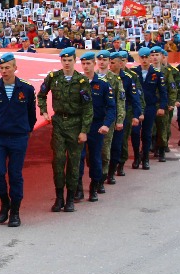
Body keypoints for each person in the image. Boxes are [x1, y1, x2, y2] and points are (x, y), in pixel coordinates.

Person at [37, 47, 92, 213]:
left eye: (69, 60)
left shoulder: (81, 81)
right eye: (64, 60)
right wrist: (44, 111)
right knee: (58, 161)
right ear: (61, 61)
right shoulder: (53, 77)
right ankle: (59, 197)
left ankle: (70, 199)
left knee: (74, 163)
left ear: (74, 61)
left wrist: (84, 131)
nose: (67, 63)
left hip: (75, 124)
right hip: (59, 123)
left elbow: (88, 108)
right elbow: (41, 95)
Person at [0, 53, 36, 228]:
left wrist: (27, 129)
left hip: (18, 137)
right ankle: (4, 202)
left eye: (7, 67)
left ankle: (15, 211)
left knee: (15, 174)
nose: (4, 71)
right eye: (1, 68)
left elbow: (31, 113)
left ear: (15, 68)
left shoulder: (27, 89)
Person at [75, 52, 115, 203]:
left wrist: (106, 124)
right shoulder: (77, 83)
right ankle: (78, 188)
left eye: (88, 63)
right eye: (83, 64)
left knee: (95, 157)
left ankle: (94, 186)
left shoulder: (103, 84)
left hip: (96, 126)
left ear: (94, 64)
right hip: (80, 125)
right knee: (78, 157)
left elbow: (111, 107)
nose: (86, 67)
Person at [131, 47, 167, 169]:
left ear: (150, 58)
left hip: (150, 107)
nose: (144, 60)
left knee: (146, 134)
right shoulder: (133, 72)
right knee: (135, 133)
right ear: (139, 58)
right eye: (142, 57)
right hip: (136, 107)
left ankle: (145, 158)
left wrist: (162, 106)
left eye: (147, 57)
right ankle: (137, 157)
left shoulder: (157, 73)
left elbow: (163, 92)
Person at [94, 50, 124, 195]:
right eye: (99, 60)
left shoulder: (115, 79)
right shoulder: (90, 77)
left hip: (108, 120)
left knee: (105, 151)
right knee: (92, 152)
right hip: (92, 119)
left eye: (105, 60)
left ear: (108, 62)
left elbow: (120, 101)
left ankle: (101, 178)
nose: (102, 62)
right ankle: (95, 175)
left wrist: (120, 119)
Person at [111, 51, 143, 180]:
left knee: (122, 141)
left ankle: (120, 164)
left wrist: (137, 114)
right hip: (109, 113)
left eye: (113, 62)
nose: (110, 65)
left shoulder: (129, 78)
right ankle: (110, 165)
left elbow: (135, 98)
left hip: (124, 112)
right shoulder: (106, 77)